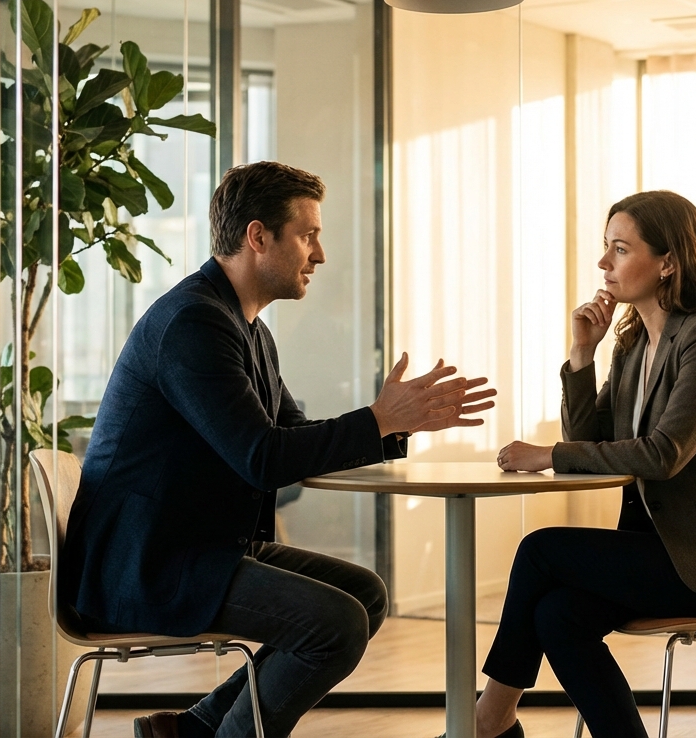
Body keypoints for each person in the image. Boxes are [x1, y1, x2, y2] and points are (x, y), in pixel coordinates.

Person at [59, 161, 496, 738]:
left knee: (363, 595)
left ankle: (194, 729)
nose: (319, 255)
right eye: (308, 235)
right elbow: (263, 457)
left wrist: (391, 422)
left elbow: (291, 436)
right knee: (334, 625)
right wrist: (377, 419)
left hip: (193, 545)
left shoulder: (246, 328)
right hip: (148, 564)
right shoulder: (195, 324)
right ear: (258, 236)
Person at [480, 190, 696, 738]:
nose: (604, 264)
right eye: (606, 249)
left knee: (540, 551)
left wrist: (546, 455)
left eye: (621, 249)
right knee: (558, 615)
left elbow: (663, 454)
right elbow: (588, 442)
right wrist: (583, 354)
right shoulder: (632, 345)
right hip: (670, 554)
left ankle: (487, 723)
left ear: (669, 261)